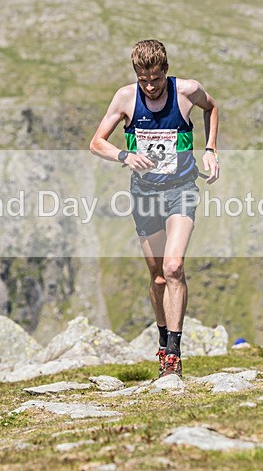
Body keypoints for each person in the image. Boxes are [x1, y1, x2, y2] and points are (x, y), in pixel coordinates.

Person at [89, 39, 219, 377]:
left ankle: (173, 355)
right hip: (145, 194)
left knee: (174, 267)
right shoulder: (125, 98)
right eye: (143, 80)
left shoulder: (187, 91)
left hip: (181, 189)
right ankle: (162, 342)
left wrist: (210, 149)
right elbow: (96, 142)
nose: (150, 86)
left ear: (166, 71)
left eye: (156, 79)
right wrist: (124, 155)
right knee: (159, 276)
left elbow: (212, 107)